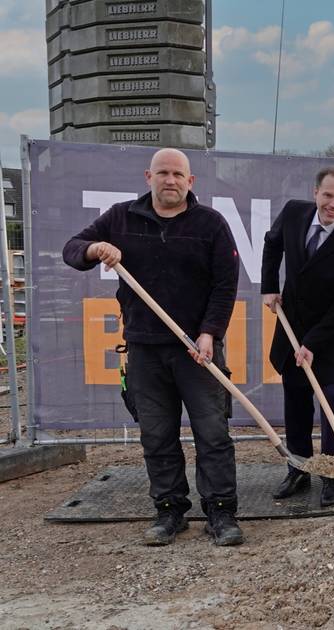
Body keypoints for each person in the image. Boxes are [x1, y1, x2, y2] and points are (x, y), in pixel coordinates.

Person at [63, 148, 243, 546]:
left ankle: (221, 511)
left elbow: (225, 284)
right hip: (144, 349)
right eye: (163, 172)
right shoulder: (121, 218)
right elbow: (72, 249)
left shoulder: (210, 224)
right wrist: (95, 250)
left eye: (178, 173)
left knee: (213, 433)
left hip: (198, 350)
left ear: (190, 181)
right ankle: (169, 510)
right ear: (149, 177)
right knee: (157, 435)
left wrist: (210, 332)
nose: (170, 180)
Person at [262, 167, 334, 507]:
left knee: (332, 398)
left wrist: (313, 343)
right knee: (295, 397)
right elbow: (271, 243)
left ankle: (331, 472)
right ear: (315, 193)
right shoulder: (295, 213)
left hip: (331, 332)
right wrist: (269, 288)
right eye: (328, 195)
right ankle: (297, 468)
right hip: (292, 323)